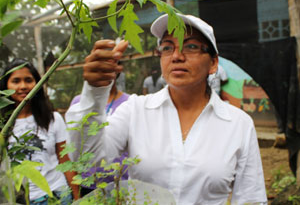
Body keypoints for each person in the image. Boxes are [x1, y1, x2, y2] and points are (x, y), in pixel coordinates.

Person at [65, 14, 267, 204]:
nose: (177, 56)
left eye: (191, 47)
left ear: (213, 63)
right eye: (168, 47)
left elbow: (251, 197)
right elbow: (88, 163)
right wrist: (94, 92)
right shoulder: (135, 111)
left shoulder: (238, 124)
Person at [0, 59, 79, 204]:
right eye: (16, 81)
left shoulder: (52, 118)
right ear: (6, 86)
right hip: (21, 199)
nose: (23, 86)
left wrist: (78, 198)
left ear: (37, 83)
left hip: (57, 194)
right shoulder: (3, 127)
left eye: (28, 80)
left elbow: (65, 161)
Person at [68, 75, 130, 196]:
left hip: (121, 183)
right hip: (88, 183)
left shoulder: (129, 103)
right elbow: (73, 146)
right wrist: (76, 192)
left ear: (117, 70)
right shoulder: (79, 104)